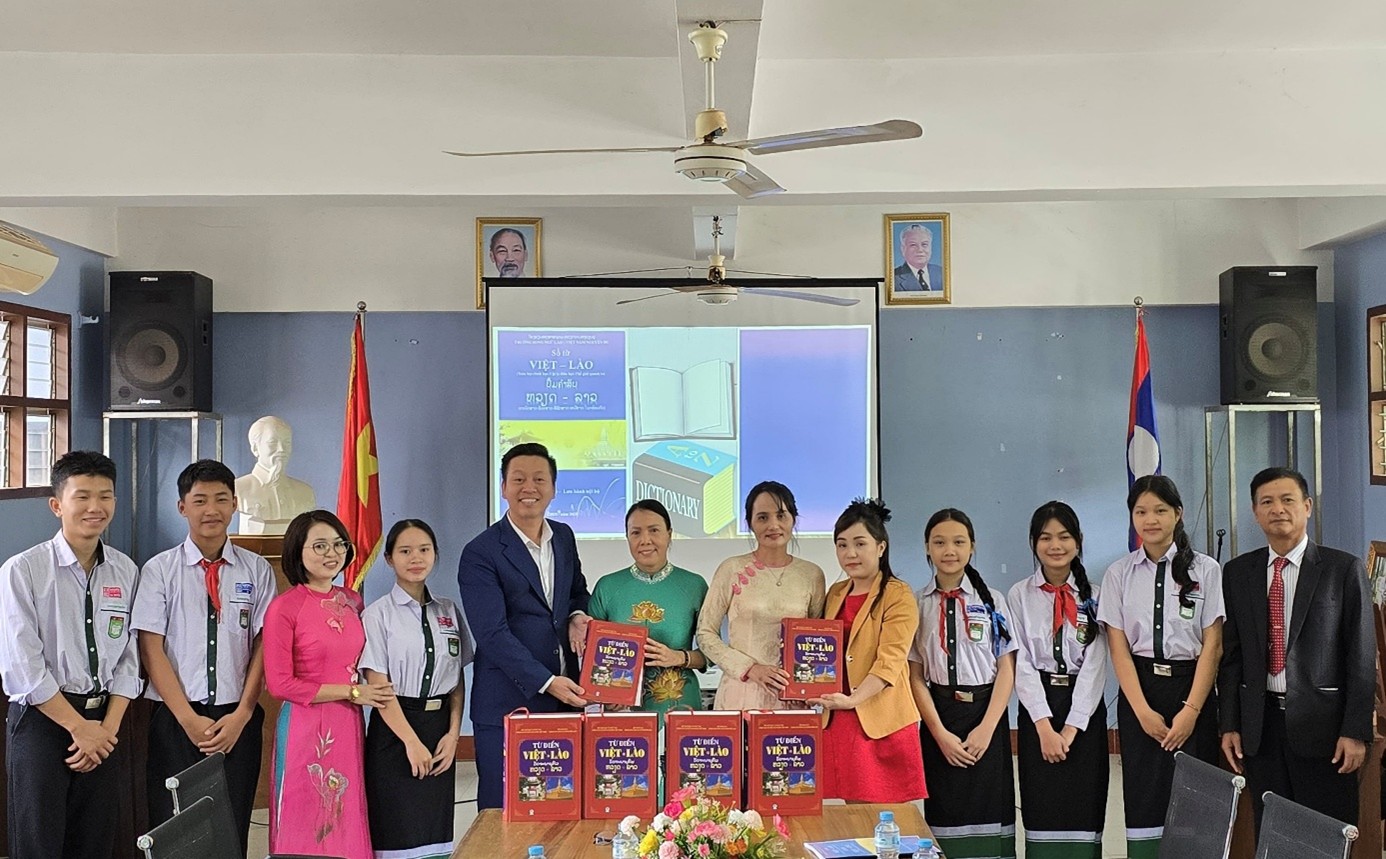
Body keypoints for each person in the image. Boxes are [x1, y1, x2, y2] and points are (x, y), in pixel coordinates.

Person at [0, 451, 141, 859]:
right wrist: (80, 729)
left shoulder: (126, 570)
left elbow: (129, 658)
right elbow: (23, 666)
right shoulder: (23, 570)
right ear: (57, 505)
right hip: (42, 723)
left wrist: (105, 731)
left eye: (105, 496)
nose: (95, 507)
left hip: (104, 726)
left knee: (95, 843)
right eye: (82, 496)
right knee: (39, 845)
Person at [131, 459, 275, 856]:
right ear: (182, 507)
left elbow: (264, 643)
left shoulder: (257, 569)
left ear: (235, 504)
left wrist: (243, 714)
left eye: (221, 499)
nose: (211, 510)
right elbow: (151, 647)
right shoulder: (160, 570)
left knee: (231, 822)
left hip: (236, 719)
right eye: (200, 501)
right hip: (176, 719)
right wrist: (187, 719)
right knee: (174, 827)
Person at [1220, 467, 1374, 830]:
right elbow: (1232, 658)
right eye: (1267, 502)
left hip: (1325, 730)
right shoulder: (1238, 572)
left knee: (1324, 833)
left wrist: (1355, 731)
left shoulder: (1342, 569)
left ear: (1307, 506)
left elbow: (1361, 657)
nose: (1278, 509)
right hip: (1261, 728)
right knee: (1272, 830)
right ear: (1255, 512)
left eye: (1287, 500)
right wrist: (1230, 724)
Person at [458, 442, 592, 810]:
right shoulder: (481, 552)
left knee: (562, 809)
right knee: (502, 813)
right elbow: (491, 633)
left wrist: (577, 616)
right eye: (518, 479)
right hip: (508, 704)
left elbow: (577, 593)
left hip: (565, 703)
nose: (528, 488)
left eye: (538, 479)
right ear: (503, 487)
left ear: (553, 488)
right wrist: (547, 681)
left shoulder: (563, 537)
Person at [1098, 475, 1222, 859]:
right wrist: (1141, 711)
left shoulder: (1206, 570)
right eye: (1141, 512)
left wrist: (1191, 711)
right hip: (1141, 693)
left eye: (1160, 510)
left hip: (1192, 692)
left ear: (1178, 514)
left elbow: (1213, 646)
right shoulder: (1118, 573)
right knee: (1144, 797)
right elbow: (1118, 648)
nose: (1150, 520)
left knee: (1196, 798)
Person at [263, 509, 394, 859]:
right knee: (307, 816)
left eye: (339, 544)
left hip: (349, 722)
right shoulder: (283, 608)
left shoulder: (352, 600)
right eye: (319, 545)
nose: (331, 553)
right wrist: (352, 692)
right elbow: (280, 685)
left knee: (346, 812)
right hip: (304, 727)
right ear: (298, 551)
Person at [908, 508, 1017, 859]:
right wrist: (939, 733)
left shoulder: (993, 600)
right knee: (945, 815)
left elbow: (1006, 669)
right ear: (927, 547)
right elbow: (915, 675)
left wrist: (986, 729)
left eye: (958, 542)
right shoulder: (916, 603)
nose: (949, 551)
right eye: (939, 542)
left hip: (986, 717)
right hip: (940, 718)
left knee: (991, 813)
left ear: (973, 546)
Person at [361, 519, 471, 859]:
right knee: (396, 833)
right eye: (405, 551)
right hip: (395, 732)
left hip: (439, 731)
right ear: (389, 558)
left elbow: (456, 679)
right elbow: (378, 687)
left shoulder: (448, 610)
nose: (416, 558)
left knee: (435, 835)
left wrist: (453, 735)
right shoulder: (377, 615)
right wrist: (411, 742)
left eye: (424, 550)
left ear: (435, 554)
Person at [1007, 501, 1109, 859]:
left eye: (1064, 537)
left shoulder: (1096, 595)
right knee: (1042, 808)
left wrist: (1070, 728)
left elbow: (1095, 665)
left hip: (1084, 713)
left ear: (1078, 541)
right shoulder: (1019, 595)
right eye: (1046, 537)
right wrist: (1045, 728)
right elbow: (1021, 663)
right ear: (1034, 543)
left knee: (1085, 808)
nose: (1055, 545)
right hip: (1038, 712)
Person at [808, 498, 926, 803]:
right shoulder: (835, 593)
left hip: (879, 718)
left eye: (860, 543)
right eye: (842, 545)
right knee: (851, 814)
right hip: (839, 717)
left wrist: (852, 700)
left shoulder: (898, 594)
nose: (850, 553)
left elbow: (890, 661)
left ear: (881, 547)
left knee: (886, 819)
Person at [696, 481, 826, 710]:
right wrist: (750, 668)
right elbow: (705, 633)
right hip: (741, 692)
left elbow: (816, 641)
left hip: (791, 699)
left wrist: (803, 684)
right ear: (750, 523)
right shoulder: (732, 569)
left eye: (781, 515)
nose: (773, 525)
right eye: (763, 517)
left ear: (793, 519)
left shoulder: (812, 574)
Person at [588, 500, 708, 720]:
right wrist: (605, 693)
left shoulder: (694, 585)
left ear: (669, 534)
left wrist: (678, 657)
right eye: (636, 533)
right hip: (621, 710)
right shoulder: (607, 587)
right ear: (627, 538)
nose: (645, 540)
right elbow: (591, 657)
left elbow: (712, 653)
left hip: (680, 706)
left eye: (654, 530)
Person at [235, 415, 317, 535]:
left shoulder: (305, 492)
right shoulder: (237, 489)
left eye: (286, 442)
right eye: (272, 442)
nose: (281, 449)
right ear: (255, 448)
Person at [892, 223, 944, 292]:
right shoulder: (893, 278)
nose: (920, 250)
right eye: (913, 245)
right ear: (903, 249)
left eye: (924, 244)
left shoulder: (942, 272)